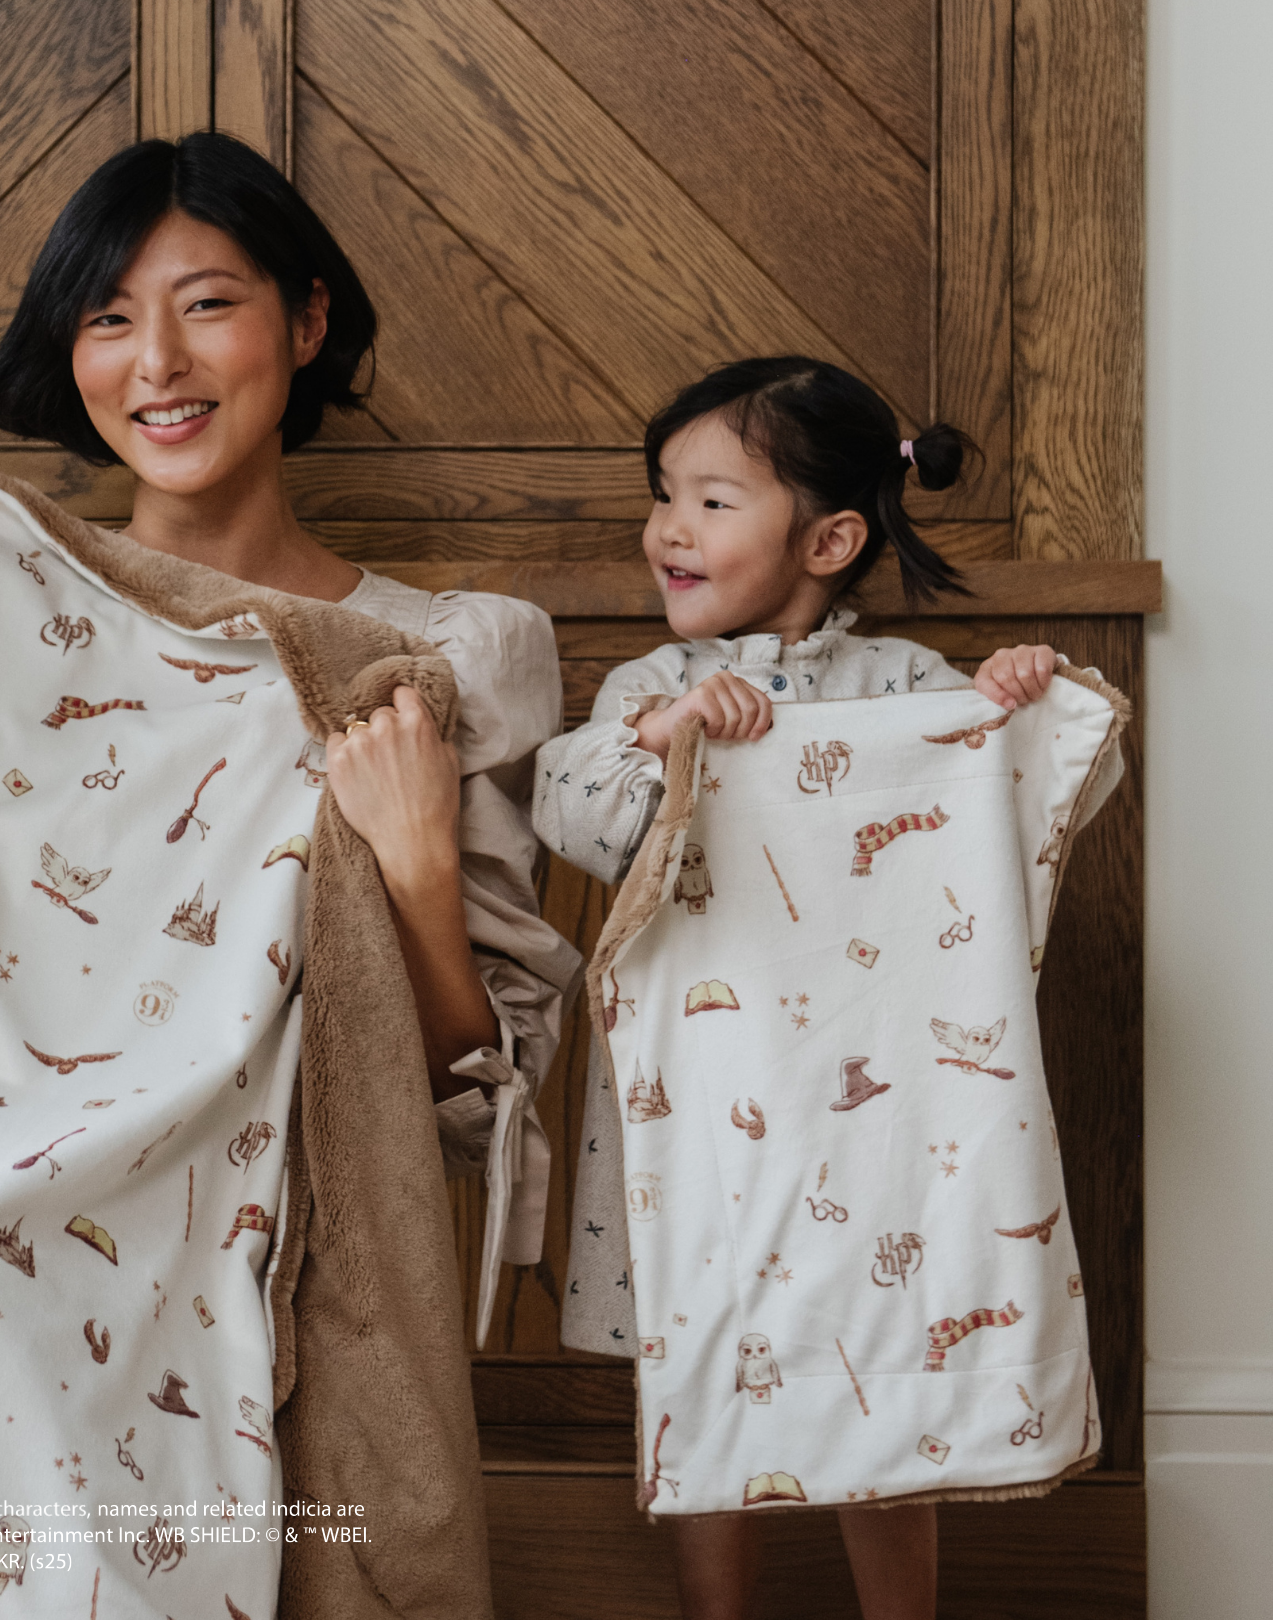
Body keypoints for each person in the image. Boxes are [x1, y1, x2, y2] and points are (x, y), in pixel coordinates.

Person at [0, 131, 572, 1619]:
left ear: (308, 322)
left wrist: (412, 864)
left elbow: (476, 1101)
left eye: (208, 304)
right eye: (107, 317)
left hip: (222, 1195)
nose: (158, 363)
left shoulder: (442, 653)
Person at [534, 357, 1123, 1620]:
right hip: (700, 1110)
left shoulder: (909, 690)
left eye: (710, 501)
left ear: (830, 540)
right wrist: (661, 740)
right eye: (662, 494)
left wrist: (1014, 708)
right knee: (701, 1368)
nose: (668, 527)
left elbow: (1031, 815)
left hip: (875, 1118)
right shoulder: (651, 691)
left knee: (888, 1364)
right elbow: (575, 820)